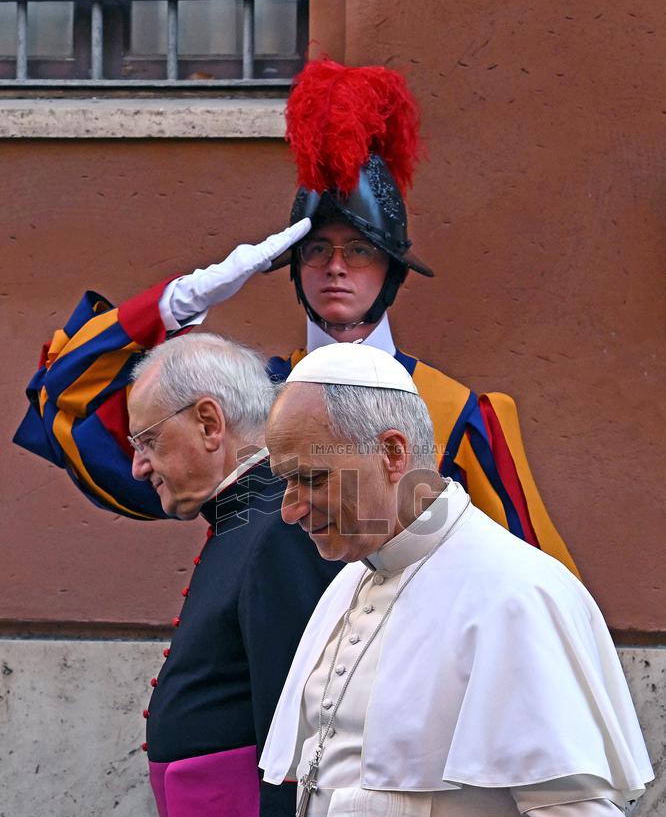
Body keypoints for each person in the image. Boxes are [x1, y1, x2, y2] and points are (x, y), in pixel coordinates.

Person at [14, 59, 578, 576]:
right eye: (316, 250)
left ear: (391, 269)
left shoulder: (457, 413)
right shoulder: (257, 398)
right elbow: (65, 399)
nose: (336, 267)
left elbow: (539, 579)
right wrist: (182, 299)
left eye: (360, 250)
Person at [259, 342, 653, 817]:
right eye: (285, 482)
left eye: (312, 479)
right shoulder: (347, 585)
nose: (290, 510)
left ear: (392, 454)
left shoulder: (515, 593)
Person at [116, 334, 340, 817]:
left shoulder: (276, 530)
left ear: (210, 423)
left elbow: (297, 738)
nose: (139, 467)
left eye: (147, 442)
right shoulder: (245, 520)